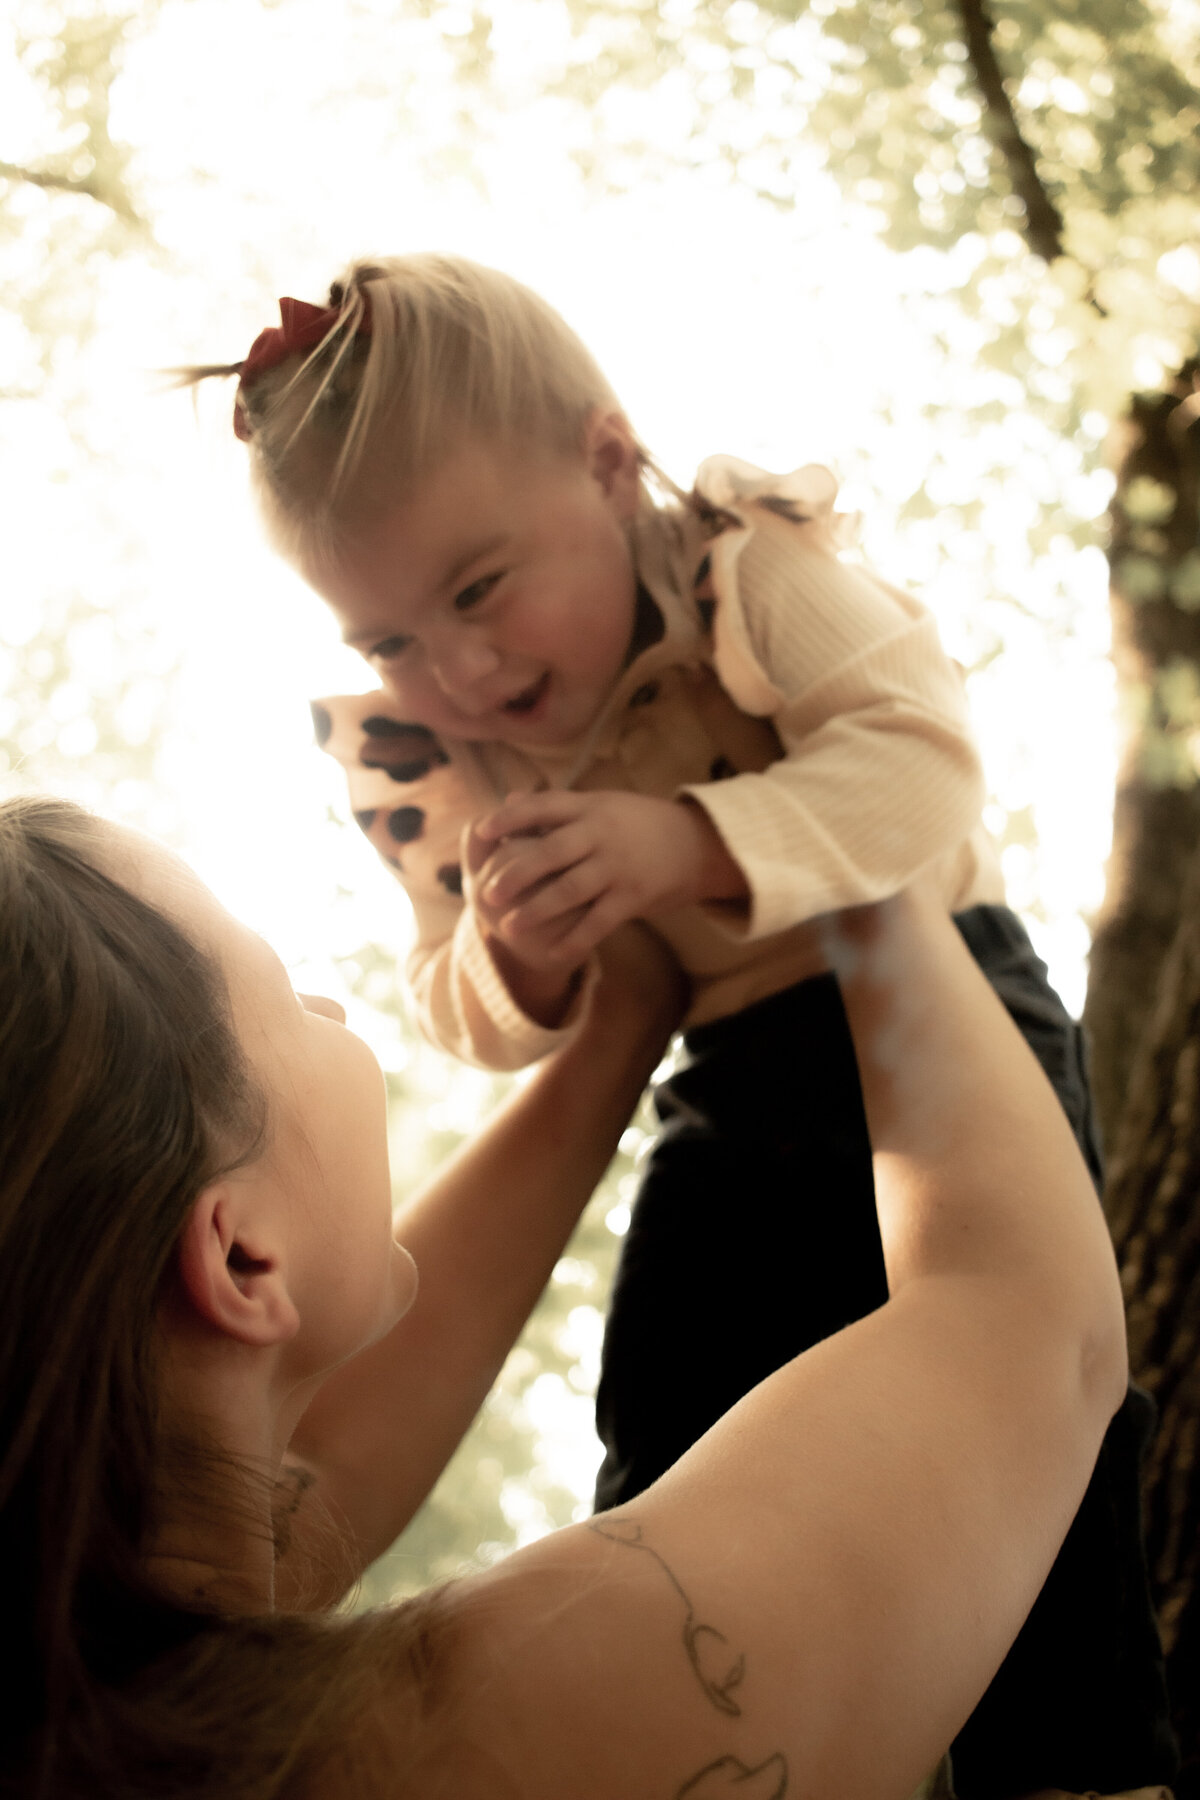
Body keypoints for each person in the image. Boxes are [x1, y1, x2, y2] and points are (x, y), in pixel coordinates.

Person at [187, 257, 1175, 1798]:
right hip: (716, 1081)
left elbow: (920, 768)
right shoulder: (428, 755)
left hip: (938, 1009)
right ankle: (701, 1657)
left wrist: (691, 845)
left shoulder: (742, 576)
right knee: (678, 1377)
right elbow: (448, 993)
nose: (456, 672)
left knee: (1039, 1391)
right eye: (383, 640)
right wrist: (519, 964)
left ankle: (1079, 1752)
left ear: (605, 463)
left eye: (476, 589)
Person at [0, 790, 1147, 1800]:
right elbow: (1030, 1320)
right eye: (293, 999)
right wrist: (836, 839)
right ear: (242, 1259)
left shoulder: (89, 1697)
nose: (340, 1013)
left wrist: (619, 1022)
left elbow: (322, 1470)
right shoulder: (486, 1733)